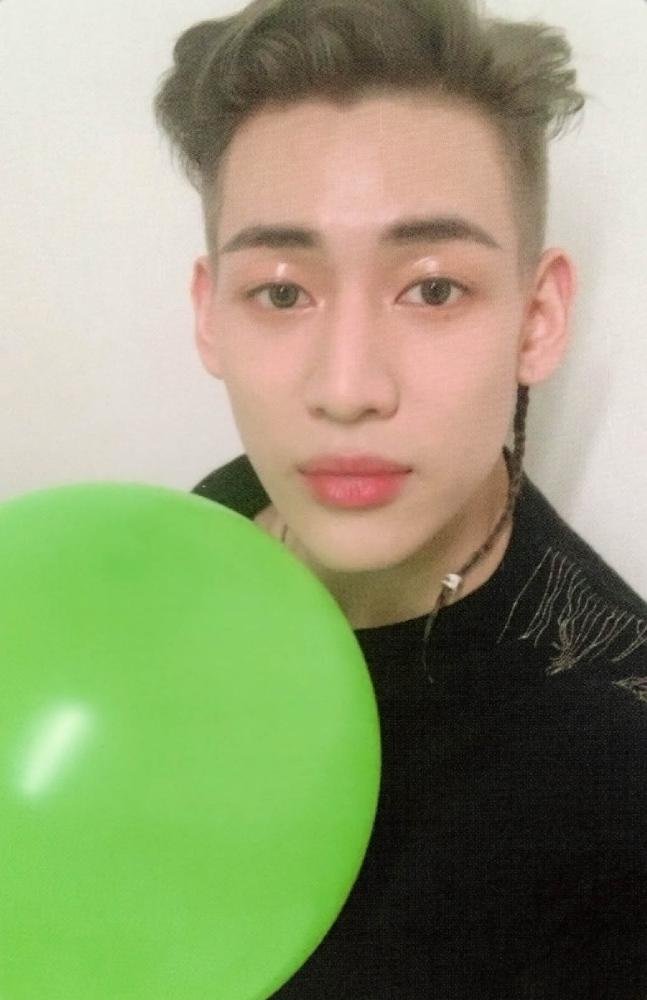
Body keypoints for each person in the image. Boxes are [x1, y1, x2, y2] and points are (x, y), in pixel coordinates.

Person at [153, 1, 647, 996]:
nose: (346, 389)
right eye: (281, 292)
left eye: (431, 289)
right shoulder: (207, 528)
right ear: (210, 317)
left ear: (536, 318)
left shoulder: (611, 777)